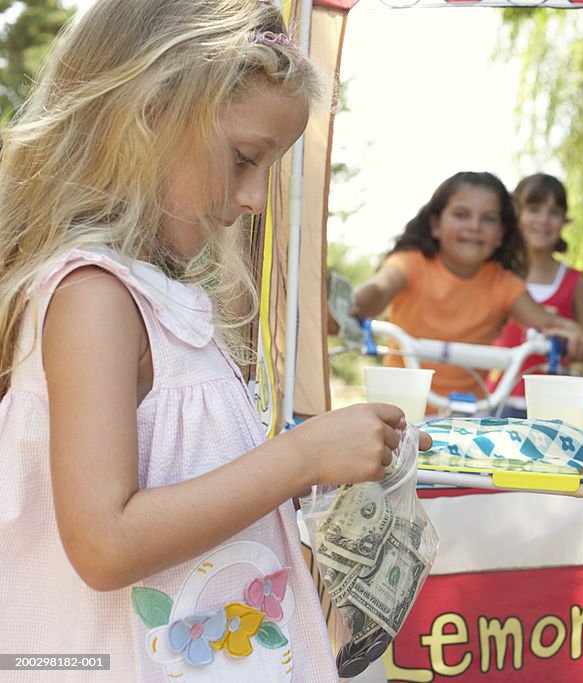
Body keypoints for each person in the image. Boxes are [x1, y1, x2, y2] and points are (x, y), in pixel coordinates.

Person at [0, 1, 430, 680]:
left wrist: (327, 467)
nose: (256, 197)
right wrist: (301, 457)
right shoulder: (93, 300)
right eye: (243, 158)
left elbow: (185, 482)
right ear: (147, 115)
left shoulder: (156, 301)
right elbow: (105, 542)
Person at [353, 171, 583, 402]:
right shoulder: (410, 264)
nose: (474, 226)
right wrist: (354, 305)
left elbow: (548, 322)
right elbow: (379, 289)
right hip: (400, 404)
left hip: (467, 414)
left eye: (488, 219)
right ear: (435, 224)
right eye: (461, 214)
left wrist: (580, 339)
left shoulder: (503, 283)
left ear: (502, 232)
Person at [486, 173, 583, 417]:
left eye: (554, 212)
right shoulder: (497, 276)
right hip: (497, 397)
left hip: (553, 403)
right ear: (516, 215)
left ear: (563, 220)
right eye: (534, 209)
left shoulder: (574, 281)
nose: (544, 220)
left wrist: (577, 344)